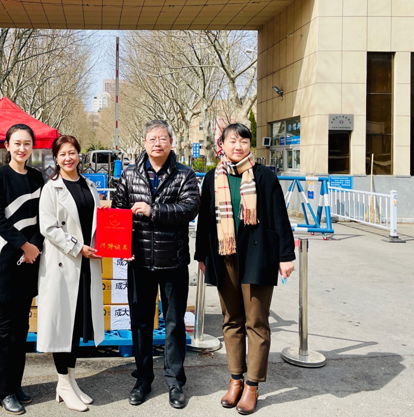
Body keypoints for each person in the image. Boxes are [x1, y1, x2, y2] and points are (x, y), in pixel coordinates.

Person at [195, 123, 295, 415]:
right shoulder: (213, 177)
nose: (237, 146)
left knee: (257, 322)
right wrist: (201, 255)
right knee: (232, 319)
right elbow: (205, 220)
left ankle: (252, 385)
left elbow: (279, 216)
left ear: (250, 145)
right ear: (222, 145)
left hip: (258, 255)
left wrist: (286, 256)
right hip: (224, 255)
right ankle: (235, 379)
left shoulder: (264, 176)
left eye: (243, 141)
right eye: (232, 141)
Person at [111, 119, 200, 409]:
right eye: (152, 138)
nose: (157, 143)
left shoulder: (185, 174)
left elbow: (189, 209)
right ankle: (143, 379)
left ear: (171, 142)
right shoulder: (129, 174)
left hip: (173, 262)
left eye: (162, 138)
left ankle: (175, 382)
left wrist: (153, 211)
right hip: (139, 263)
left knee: (174, 325)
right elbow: (118, 213)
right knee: (140, 324)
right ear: (144, 143)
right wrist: (121, 247)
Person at [37, 135, 105, 412]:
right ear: (55, 158)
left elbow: (97, 223)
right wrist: (78, 247)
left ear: (79, 155)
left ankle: (70, 381)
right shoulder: (51, 189)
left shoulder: (89, 186)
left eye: (72, 152)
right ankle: (63, 383)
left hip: (86, 264)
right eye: (63, 154)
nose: (68, 158)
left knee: (76, 324)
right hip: (64, 263)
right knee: (62, 325)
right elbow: (48, 228)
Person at [0, 124, 44, 415]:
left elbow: (43, 218)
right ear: (7, 145)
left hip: (30, 260)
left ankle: (15, 383)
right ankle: (2, 389)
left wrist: (35, 247)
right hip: (4, 260)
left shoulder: (37, 177)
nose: (22, 148)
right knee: (4, 329)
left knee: (22, 328)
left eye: (27, 143)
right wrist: (24, 245)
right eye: (17, 143)